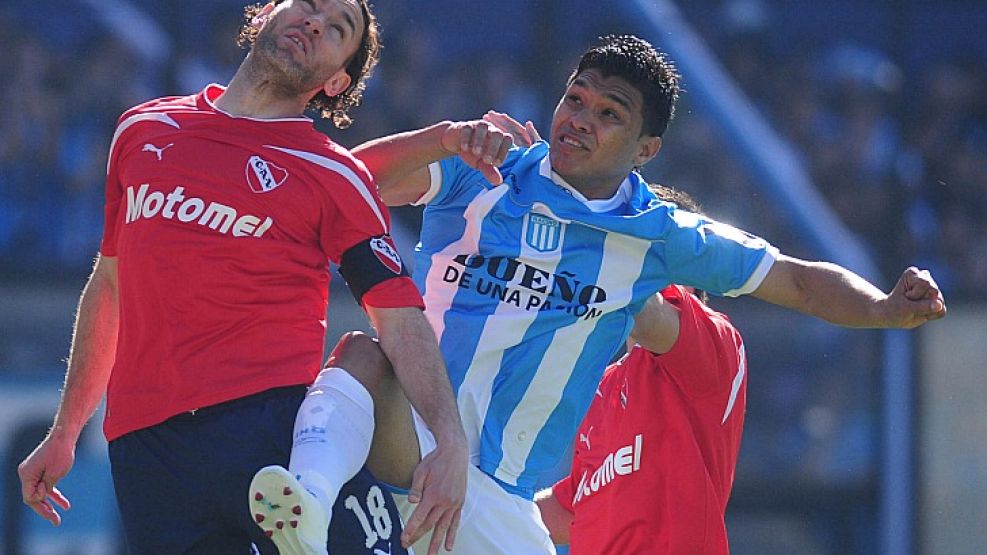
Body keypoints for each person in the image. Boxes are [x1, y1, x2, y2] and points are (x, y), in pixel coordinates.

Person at [255, 34, 947, 555]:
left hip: (495, 497)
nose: (578, 118)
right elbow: (348, 184)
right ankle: (307, 505)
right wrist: (441, 138)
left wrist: (884, 307)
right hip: (412, 448)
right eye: (575, 97)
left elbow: (793, 277)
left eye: (607, 112)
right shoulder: (483, 169)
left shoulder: (657, 236)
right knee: (361, 354)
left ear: (645, 149)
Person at [16, 1, 468, 554]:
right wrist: (65, 431)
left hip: (269, 429)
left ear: (336, 80)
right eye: (309, 5)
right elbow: (110, 285)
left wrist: (449, 442)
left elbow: (399, 322)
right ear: (266, 14)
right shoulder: (142, 129)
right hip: (145, 449)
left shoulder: (333, 173)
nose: (314, 22)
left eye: (337, 29)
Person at [534, 187, 747, 554]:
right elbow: (572, 509)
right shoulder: (601, 384)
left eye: (640, 247)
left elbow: (645, 311)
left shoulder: (715, 344)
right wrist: (466, 511)